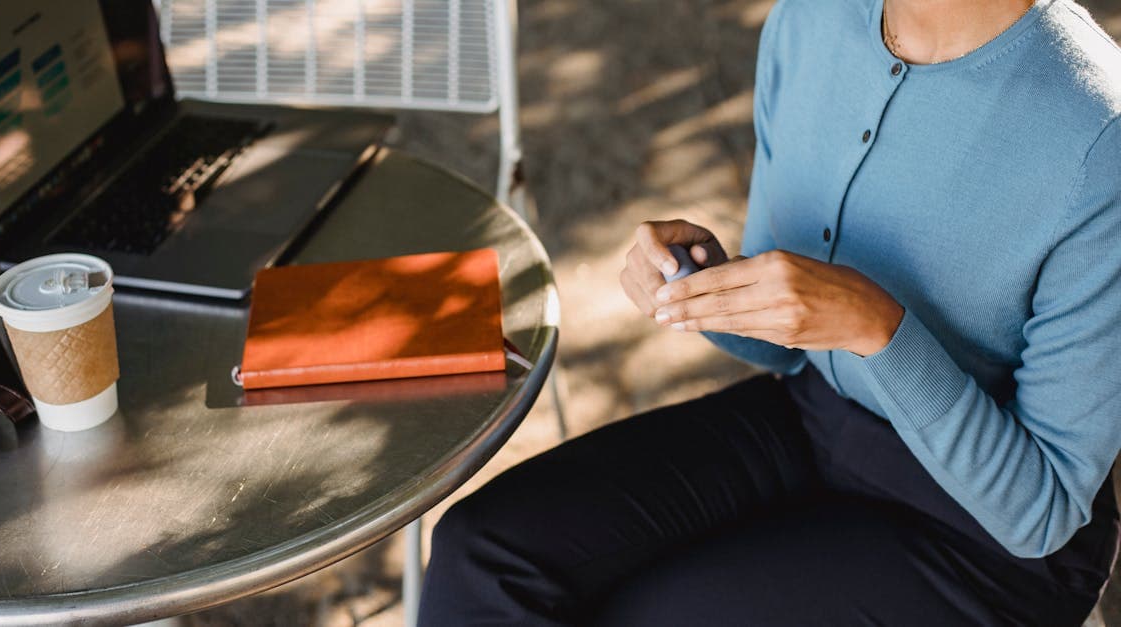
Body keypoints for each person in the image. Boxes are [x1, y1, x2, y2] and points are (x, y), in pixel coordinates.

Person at [419, 0, 1121, 624]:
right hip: (815, 419)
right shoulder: (808, 21)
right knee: (482, 551)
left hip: (988, 541)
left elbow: (1044, 509)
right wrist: (702, 286)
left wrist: (878, 329)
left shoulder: (1098, 135)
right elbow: (787, 346)